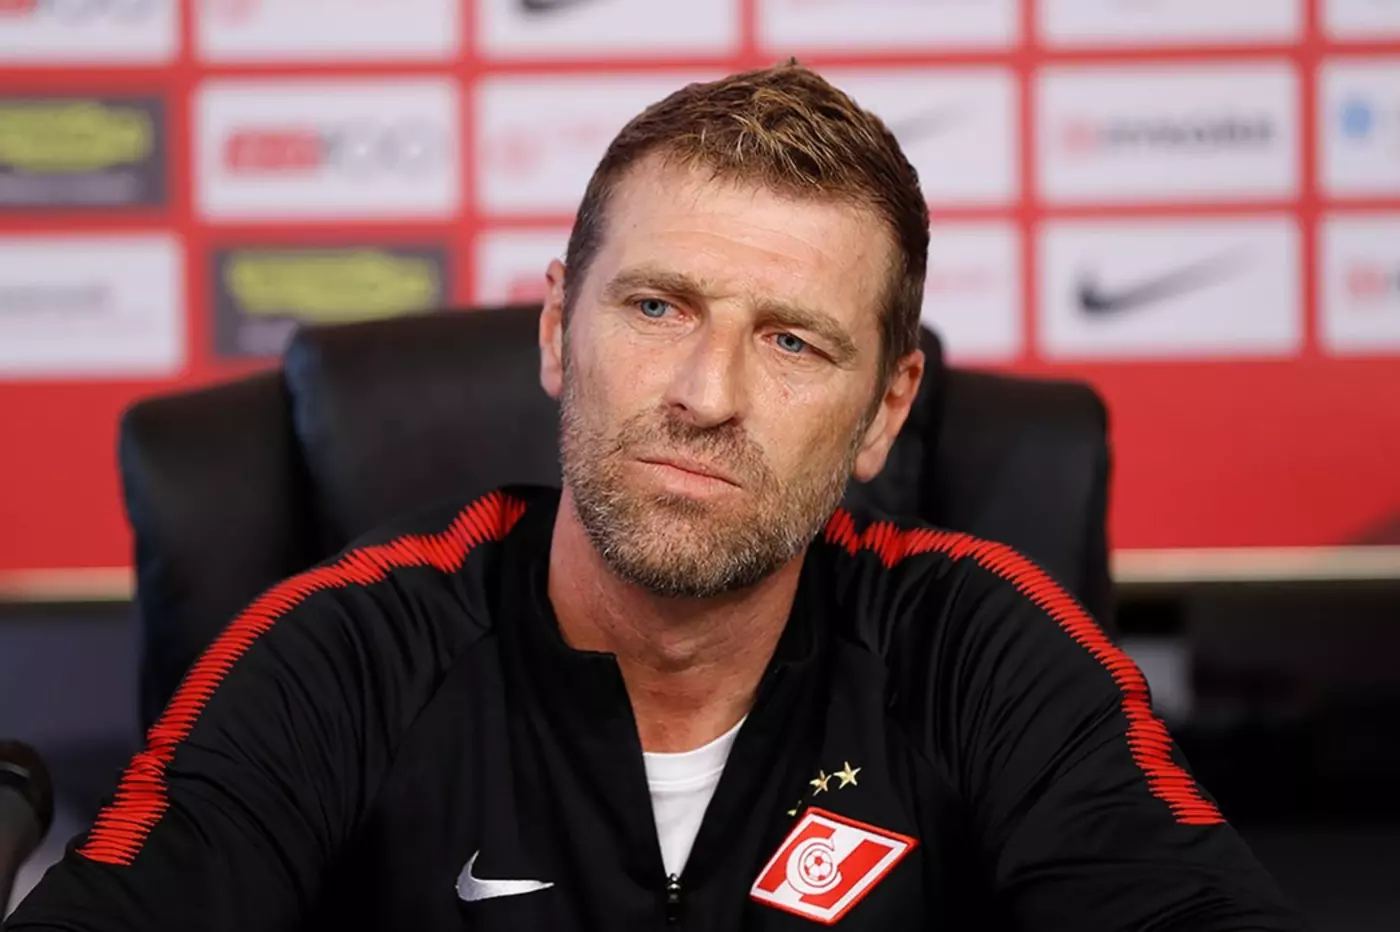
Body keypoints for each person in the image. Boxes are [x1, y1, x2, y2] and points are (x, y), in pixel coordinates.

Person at [7, 65, 1303, 931]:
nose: (706, 393)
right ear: (556, 331)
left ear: (885, 410)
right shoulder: (340, 656)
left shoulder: (979, 652)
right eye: (656, 307)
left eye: (792, 340)